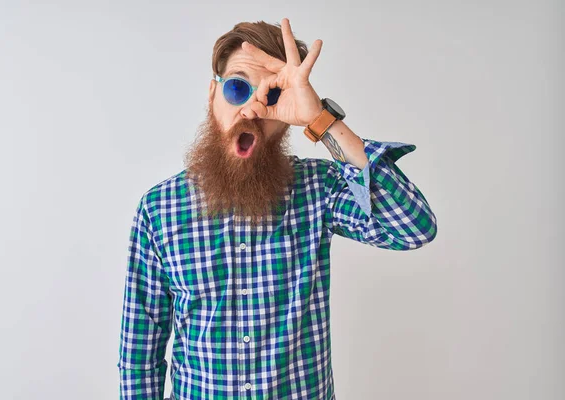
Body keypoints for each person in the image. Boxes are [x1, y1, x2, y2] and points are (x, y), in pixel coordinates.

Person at [117, 18, 437, 400]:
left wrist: (321, 118)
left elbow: (413, 228)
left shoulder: (318, 189)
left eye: (270, 98)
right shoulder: (160, 209)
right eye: (237, 88)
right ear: (211, 96)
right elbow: (140, 355)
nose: (251, 111)